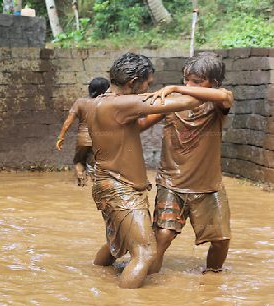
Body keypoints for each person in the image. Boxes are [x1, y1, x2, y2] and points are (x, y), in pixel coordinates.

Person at [86, 53, 203, 289]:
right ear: (133, 83)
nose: (148, 90)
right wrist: (174, 89)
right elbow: (192, 102)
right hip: (121, 189)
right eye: (147, 85)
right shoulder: (123, 103)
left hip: (107, 185)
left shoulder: (99, 102)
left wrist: (156, 108)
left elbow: (132, 128)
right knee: (146, 252)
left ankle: (95, 282)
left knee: (114, 245)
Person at [141, 52, 234, 274]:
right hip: (172, 182)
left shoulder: (218, 104)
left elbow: (225, 96)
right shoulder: (172, 104)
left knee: (221, 240)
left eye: (197, 82)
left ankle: (212, 279)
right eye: (187, 80)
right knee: (162, 236)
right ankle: (148, 281)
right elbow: (141, 123)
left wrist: (177, 88)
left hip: (208, 186)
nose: (189, 84)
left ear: (214, 83)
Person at [55, 77, 110, 186]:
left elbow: (68, 122)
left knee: (78, 161)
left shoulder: (80, 102)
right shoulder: (107, 103)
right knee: (95, 165)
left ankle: (82, 183)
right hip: (100, 139)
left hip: (82, 139)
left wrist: (60, 138)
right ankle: (93, 186)